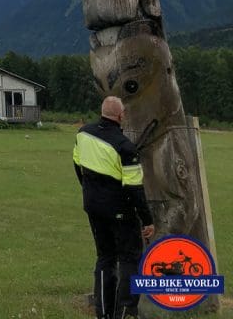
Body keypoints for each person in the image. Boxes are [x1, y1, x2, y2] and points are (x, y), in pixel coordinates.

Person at [73, 96, 155, 319]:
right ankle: (126, 311)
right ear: (121, 116)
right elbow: (134, 188)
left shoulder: (83, 134)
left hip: (93, 207)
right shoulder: (124, 147)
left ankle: (104, 312)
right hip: (120, 211)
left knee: (105, 258)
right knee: (130, 258)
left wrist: (90, 192)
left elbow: (78, 165)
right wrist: (147, 220)